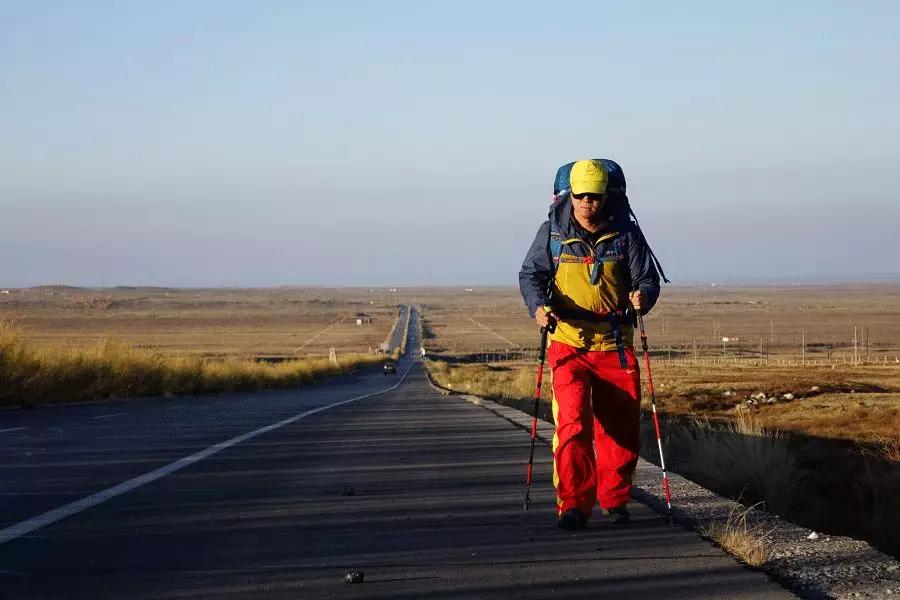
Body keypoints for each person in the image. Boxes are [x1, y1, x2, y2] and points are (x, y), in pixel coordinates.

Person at [518, 158, 661, 530]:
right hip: (568, 342)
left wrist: (643, 296)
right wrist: (537, 308)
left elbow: (647, 279)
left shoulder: (626, 234)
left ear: (605, 196)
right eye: (580, 195)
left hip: (614, 343)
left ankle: (615, 501)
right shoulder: (551, 231)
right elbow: (531, 274)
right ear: (571, 195)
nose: (586, 203)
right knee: (572, 424)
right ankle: (574, 505)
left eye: (594, 196)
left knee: (620, 427)